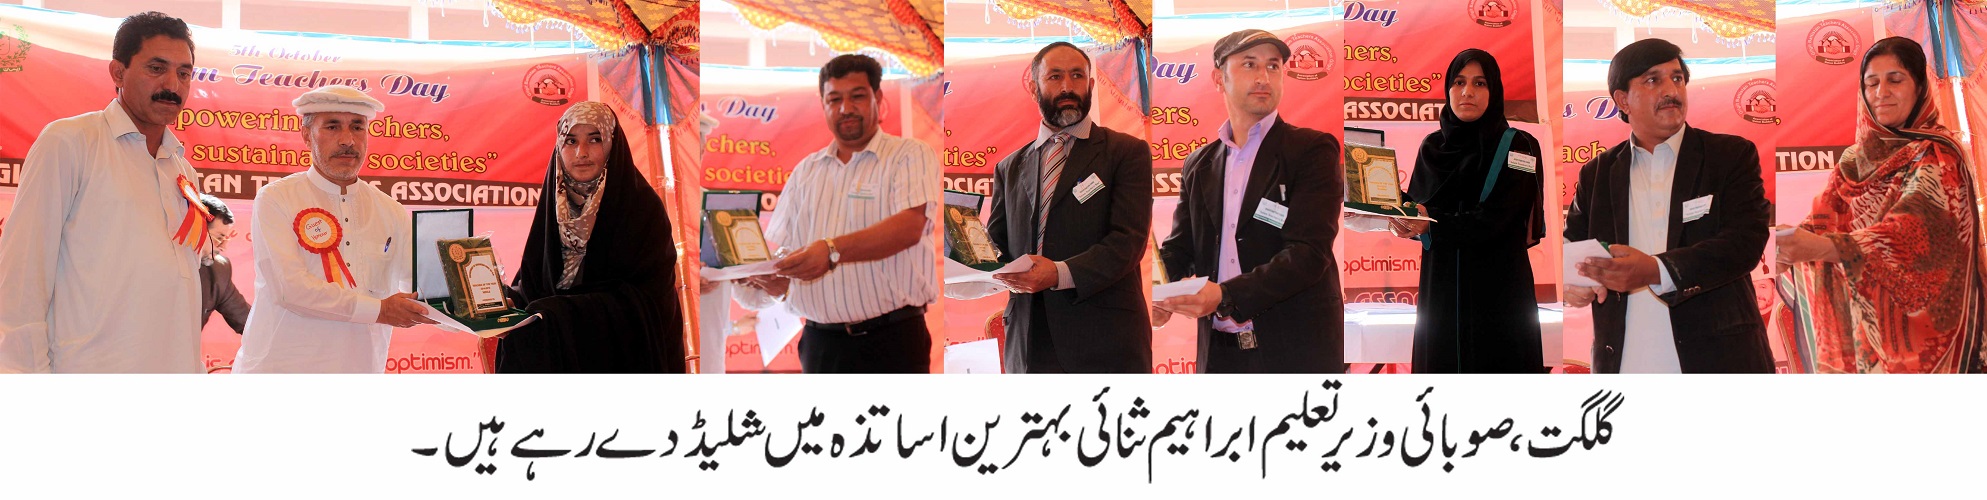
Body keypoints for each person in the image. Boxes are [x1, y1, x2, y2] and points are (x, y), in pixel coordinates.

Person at [0, 12, 206, 373]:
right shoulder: (70, 142)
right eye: (156, 68)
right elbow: (22, 275)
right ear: (118, 72)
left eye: (184, 73)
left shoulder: (182, 170)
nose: (172, 84)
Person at [1777, 36, 1986, 373]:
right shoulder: (1853, 163)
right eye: (1871, 83)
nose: (1881, 92)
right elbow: (1822, 223)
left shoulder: (1938, 154)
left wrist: (1819, 247)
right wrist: (1784, 244)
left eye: (1895, 80)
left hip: (1936, 342)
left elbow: (1910, 236)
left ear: (1919, 87)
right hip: (1868, 340)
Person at [1564, 39, 1773, 373]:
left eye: (1677, 78)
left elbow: (1745, 242)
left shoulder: (1729, 156)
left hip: (1719, 360)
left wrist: (1655, 270)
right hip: (1626, 363)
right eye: (1653, 80)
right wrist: (1572, 285)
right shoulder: (1597, 173)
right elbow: (1572, 246)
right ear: (1623, 100)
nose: (1671, 91)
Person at [946, 42, 1153, 373]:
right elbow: (997, 249)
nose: (1068, 86)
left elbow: (1128, 242)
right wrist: (957, 249)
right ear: (1034, 88)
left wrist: (1059, 273)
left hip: (1105, 340)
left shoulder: (1126, 153)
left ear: (1091, 84)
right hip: (1029, 340)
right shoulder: (1009, 167)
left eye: (1077, 75)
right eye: (1055, 76)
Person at [1155, 29, 1346, 373]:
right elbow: (1181, 248)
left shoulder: (1312, 150)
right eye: (1249, 64)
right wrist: (1155, 294)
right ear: (1219, 78)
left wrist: (1225, 296)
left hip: (1296, 352)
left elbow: (1308, 253)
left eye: (1273, 66)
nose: (1263, 77)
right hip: (1220, 356)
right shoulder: (1199, 163)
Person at [736, 54, 942, 373]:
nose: (845, 108)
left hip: (892, 342)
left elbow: (909, 227)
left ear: (878, 98)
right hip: (820, 345)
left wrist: (831, 250)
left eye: (857, 96)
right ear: (823, 105)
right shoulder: (805, 171)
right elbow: (781, 252)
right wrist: (759, 273)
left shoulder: (909, 155)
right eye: (834, 99)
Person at [234, 85, 433, 373]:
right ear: (306, 135)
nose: (347, 140)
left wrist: (477, 313)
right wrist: (381, 310)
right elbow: (291, 289)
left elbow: (422, 289)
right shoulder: (277, 199)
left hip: (361, 369)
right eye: (332, 127)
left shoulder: (390, 211)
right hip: (280, 369)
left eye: (357, 127)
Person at [1379, 49, 1545, 373]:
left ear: (1494, 91)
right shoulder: (1432, 147)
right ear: (1448, 89)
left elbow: (1500, 218)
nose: (1467, 91)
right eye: (1459, 82)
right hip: (1440, 290)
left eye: (1480, 83)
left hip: (1498, 292)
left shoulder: (1519, 146)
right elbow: (1420, 211)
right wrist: (1387, 208)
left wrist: (1430, 225)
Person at [497, 101, 685, 373]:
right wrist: (503, 302)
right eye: (571, 141)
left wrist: (557, 313)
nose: (581, 152)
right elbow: (535, 283)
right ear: (559, 147)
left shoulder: (641, 208)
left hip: (623, 360)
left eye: (595, 139)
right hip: (559, 357)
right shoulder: (555, 204)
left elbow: (648, 303)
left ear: (612, 143)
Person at [198, 194, 251, 333]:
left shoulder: (218, 271)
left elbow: (249, 322)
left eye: (225, 239)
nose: (223, 247)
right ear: (196, 229)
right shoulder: (157, 264)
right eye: (219, 238)